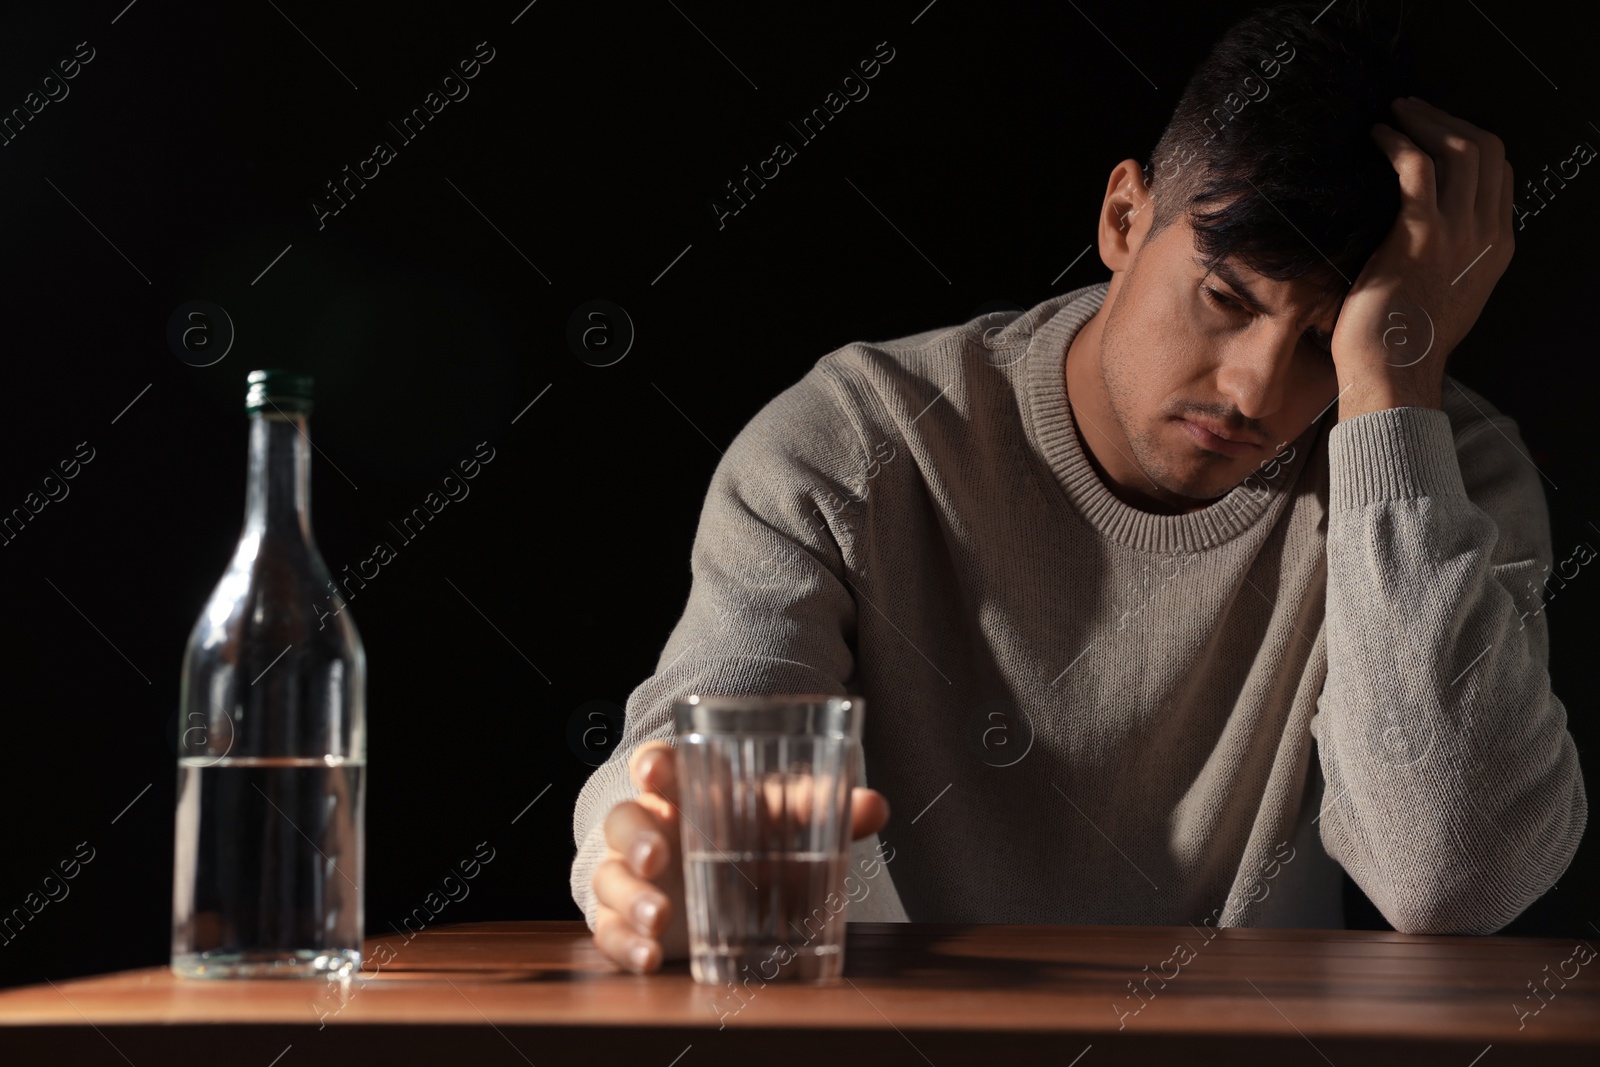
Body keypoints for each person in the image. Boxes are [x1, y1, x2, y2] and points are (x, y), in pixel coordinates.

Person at [570, 0, 1589, 974]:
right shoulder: (860, 440)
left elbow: (1454, 875)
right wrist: (644, 845)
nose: (1254, 390)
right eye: (1224, 297)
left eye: (1327, 338)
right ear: (1121, 216)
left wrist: (1390, 394)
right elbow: (705, 735)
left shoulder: (1433, 462)